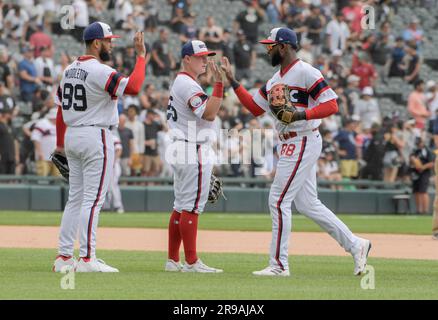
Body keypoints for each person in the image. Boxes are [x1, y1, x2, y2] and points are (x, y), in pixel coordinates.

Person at [221, 27, 371, 276]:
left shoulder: (306, 71)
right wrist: (233, 81)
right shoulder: (274, 79)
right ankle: (356, 245)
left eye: (271, 46)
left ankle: (279, 265)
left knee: (278, 201)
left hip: (302, 138)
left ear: (284, 47)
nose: (267, 50)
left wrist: (302, 114)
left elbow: (331, 104)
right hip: (291, 141)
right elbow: (254, 108)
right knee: (308, 204)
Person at [52, 22, 146, 273]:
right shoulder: (99, 70)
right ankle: (86, 259)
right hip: (95, 135)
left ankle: (63, 257)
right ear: (96, 43)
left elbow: (60, 109)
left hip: (73, 135)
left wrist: (60, 144)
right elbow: (134, 87)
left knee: (75, 200)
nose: (112, 44)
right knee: (92, 201)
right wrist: (141, 57)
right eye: (108, 40)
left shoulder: (69, 70)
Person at [165, 40, 224, 273]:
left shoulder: (183, 82)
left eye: (206, 56)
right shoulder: (188, 85)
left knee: (180, 206)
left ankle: (172, 259)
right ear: (186, 58)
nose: (205, 61)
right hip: (193, 149)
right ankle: (191, 262)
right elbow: (209, 114)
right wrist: (219, 83)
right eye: (200, 57)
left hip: (181, 147)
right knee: (191, 207)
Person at [31, 107, 60, 177]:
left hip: (57, 158)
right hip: (44, 156)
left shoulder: (60, 125)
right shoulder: (42, 123)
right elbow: (35, 138)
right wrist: (39, 152)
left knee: (58, 179)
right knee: (43, 178)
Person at [410, 137, 434, 215]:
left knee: (423, 191)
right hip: (416, 173)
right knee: (416, 191)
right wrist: (413, 161)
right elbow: (411, 159)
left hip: (424, 173)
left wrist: (422, 167)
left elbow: (432, 163)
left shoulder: (427, 151)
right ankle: (418, 210)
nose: (419, 145)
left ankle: (425, 210)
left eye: (419, 143)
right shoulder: (415, 150)